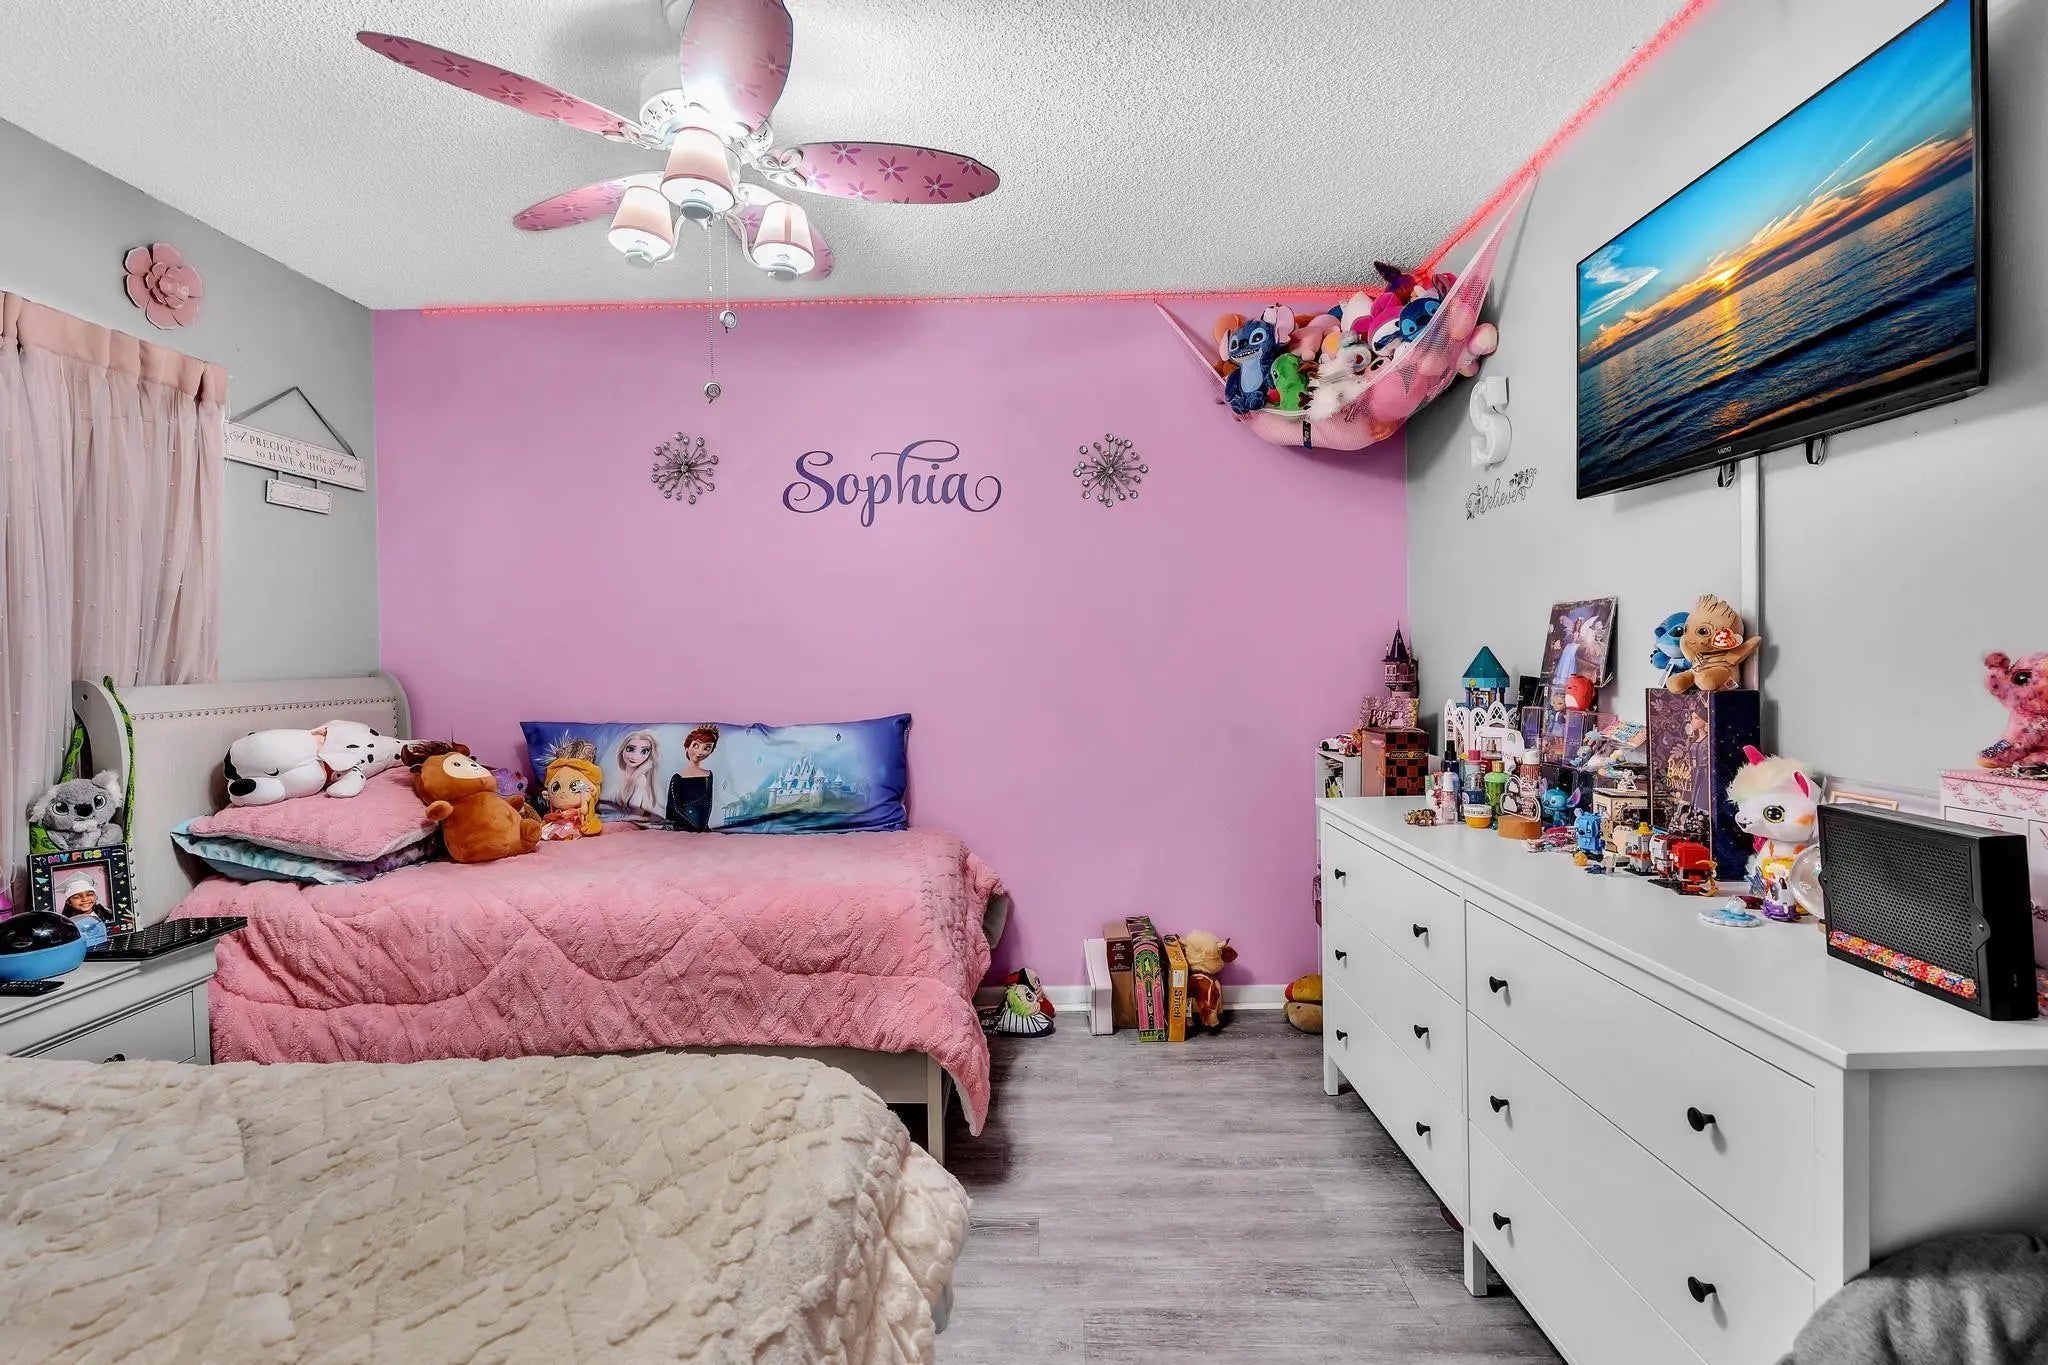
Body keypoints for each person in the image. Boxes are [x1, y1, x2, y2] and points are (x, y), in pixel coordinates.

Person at [664, 726, 720, 832]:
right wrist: (694, 826)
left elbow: (707, 806)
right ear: (687, 747)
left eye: (707, 748)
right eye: (696, 745)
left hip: (703, 829)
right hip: (683, 828)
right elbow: (673, 809)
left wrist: (704, 828)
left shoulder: (709, 775)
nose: (700, 752)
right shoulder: (678, 777)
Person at [610, 730, 662, 820]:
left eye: (644, 751)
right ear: (622, 751)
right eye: (630, 749)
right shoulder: (617, 775)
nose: (635, 756)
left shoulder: (640, 780)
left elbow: (636, 814)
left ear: (649, 755)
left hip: (632, 821)